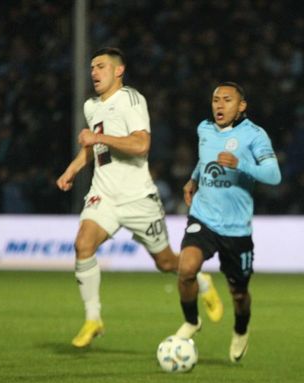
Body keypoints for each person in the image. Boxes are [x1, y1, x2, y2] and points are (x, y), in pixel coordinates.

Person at [56, 47, 223, 348]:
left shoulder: (131, 100)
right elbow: (92, 147)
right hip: (103, 194)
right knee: (83, 244)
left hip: (138, 198)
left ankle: (201, 281)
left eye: (101, 66)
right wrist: (72, 170)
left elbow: (141, 144)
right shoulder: (91, 107)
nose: (94, 72)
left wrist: (97, 138)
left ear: (119, 71)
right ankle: (93, 318)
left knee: (166, 262)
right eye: (92, 67)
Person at [175, 82, 281, 363]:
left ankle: (241, 329)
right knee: (186, 269)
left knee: (239, 293)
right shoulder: (204, 129)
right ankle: (192, 321)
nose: (219, 105)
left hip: (236, 229)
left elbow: (274, 175)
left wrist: (240, 165)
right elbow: (204, 158)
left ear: (241, 105)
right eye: (215, 100)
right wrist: (194, 178)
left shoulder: (254, 135)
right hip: (204, 217)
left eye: (227, 100)